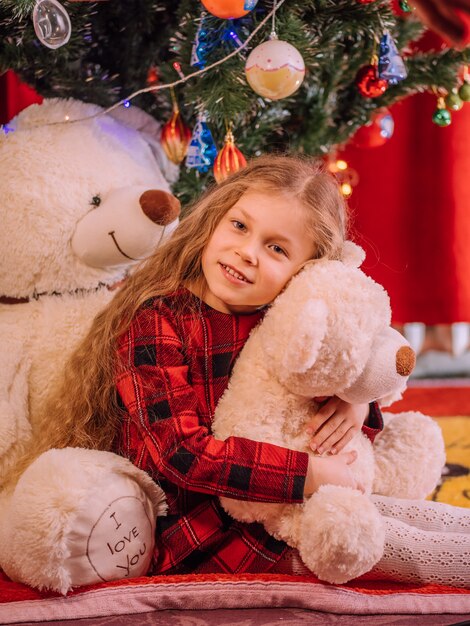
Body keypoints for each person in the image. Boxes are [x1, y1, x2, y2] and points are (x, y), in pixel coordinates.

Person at [7, 154, 469, 586]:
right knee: (401, 547)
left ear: (307, 271)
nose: (247, 252)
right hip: (205, 528)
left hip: (302, 501)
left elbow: (338, 381)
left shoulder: (289, 315)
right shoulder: (157, 321)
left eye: (275, 248)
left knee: (411, 517)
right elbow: (181, 454)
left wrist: (357, 401)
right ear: (214, 221)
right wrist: (310, 476)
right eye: (240, 226)